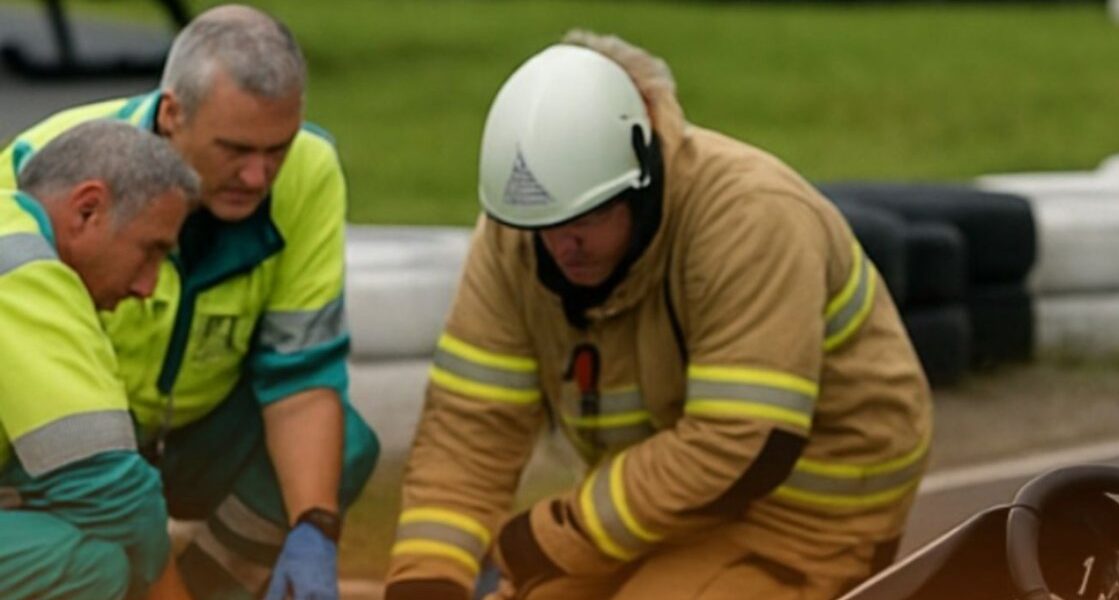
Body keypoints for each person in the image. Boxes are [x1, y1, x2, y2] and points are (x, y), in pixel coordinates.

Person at [383, 32, 933, 600]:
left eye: (587, 219)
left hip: (805, 516)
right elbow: (473, 425)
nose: (560, 247)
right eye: (543, 227)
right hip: (654, 510)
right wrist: (428, 576)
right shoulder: (517, 235)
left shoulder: (753, 218)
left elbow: (744, 447)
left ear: (642, 176)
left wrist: (556, 534)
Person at [0, 6, 379, 599]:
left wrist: (315, 530)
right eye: (235, 149)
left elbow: (303, 379)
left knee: (340, 447)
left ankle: (214, 590)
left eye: (276, 150)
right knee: (90, 560)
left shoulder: (308, 172)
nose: (258, 177)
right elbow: (96, 473)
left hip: (180, 438)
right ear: (172, 113)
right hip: (54, 451)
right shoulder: (40, 172)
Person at [0, 120, 197, 599]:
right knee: (88, 565)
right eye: (150, 252)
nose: (146, 287)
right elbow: (106, 485)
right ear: (88, 210)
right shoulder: (23, 263)